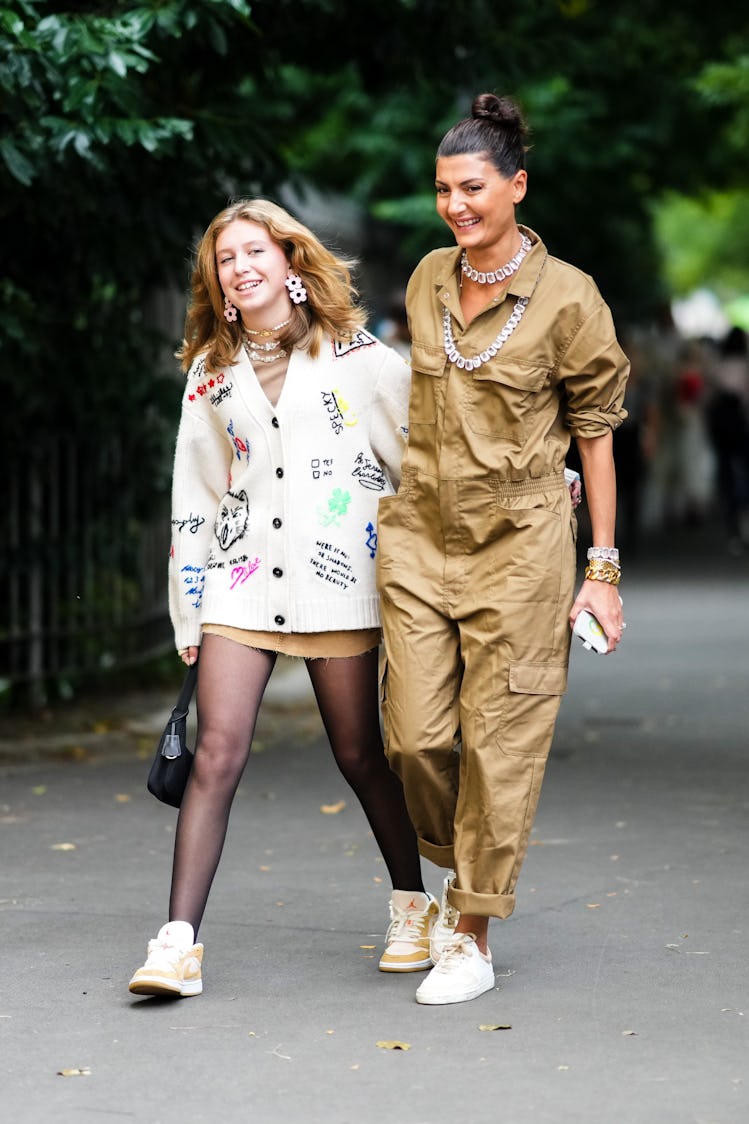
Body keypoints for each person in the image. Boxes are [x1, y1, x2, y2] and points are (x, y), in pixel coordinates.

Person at [129, 198, 441, 998]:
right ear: (220, 282)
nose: (239, 266)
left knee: (358, 755)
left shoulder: (362, 360)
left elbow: (422, 466)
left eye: (253, 251)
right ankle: (176, 943)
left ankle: (414, 903)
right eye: (225, 259)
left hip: (336, 586)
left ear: (292, 264)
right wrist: (187, 607)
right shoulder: (211, 370)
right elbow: (193, 492)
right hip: (237, 581)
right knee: (217, 754)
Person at [376, 93, 629, 1006]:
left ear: (516, 187)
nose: (456, 205)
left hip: (522, 544)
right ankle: (458, 873)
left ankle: (471, 932)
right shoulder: (425, 279)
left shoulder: (568, 299)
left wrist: (600, 570)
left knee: (499, 741)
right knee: (413, 737)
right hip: (417, 538)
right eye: (444, 190)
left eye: (473, 187)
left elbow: (595, 432)